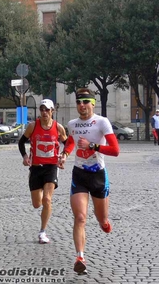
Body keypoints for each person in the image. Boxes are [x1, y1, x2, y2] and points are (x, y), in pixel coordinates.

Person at [59, 88, 120, 274]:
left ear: (93, 104)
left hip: (98, 175)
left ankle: (104, 222)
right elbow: (71, 141)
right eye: (79, 102)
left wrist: (92, 145)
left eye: (86, 102)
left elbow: (115, 150)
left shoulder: (102, 122)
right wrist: (65, 154)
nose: (82, 105)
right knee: (80, 217)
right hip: (79, 174)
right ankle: (80, 257)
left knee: (101, 220)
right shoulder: (73, 124)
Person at [18, 99, 68, 244]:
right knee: (36, 204)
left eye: (47, 110)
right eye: (42, 110)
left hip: (51, 167)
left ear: (53, 111)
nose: (44, 112)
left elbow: (68, 144)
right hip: (35, 167)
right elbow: (21, 142)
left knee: (47, 199)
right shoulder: (32, 126)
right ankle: (37, 189)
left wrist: (63, 156)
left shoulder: (58, 128)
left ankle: (42, 232)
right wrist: (25, 156)